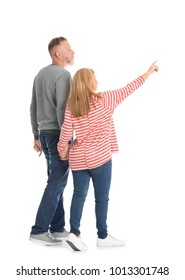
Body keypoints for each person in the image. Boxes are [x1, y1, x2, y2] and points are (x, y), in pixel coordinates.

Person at [57, 61, 159, 251]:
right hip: (100, 158)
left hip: (78, 158)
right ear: (89, 82)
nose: (97, 80)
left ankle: (74, 233)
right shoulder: (106, 98)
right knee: (101, 198)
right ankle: (102, 236)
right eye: (94, 77)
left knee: (79, 195)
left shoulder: (72, 106)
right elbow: (130, 87)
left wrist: (63, 150)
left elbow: (65, 133)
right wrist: (149, 72)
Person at [29, 37, 75, 245]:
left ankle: (57, 228)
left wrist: (36, 135)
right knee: (56, 182)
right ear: (59, 54)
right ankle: (39, 230)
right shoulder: (63, 75)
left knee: (56, 180)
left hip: (45, 134)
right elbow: (61, 110)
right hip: (58, 134)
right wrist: (65, 141)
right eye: (68, 49)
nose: (72, 52)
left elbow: (33, 107)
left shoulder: (40, 74)